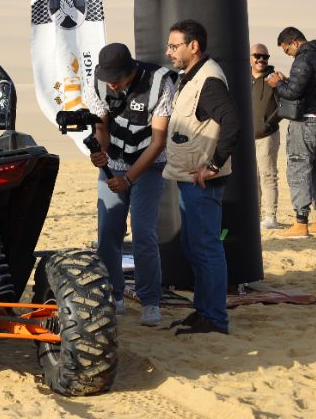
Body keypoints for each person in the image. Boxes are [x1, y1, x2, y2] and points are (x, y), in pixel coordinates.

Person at [83, 43, 175, 327]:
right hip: (114, 165)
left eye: (117, 80)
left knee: (144, 232)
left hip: (149, 164)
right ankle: (114, 295)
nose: (111, 85)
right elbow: (101, 127)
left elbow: (158, 141)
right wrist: (99, 152)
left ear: (131, 71)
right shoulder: (97, 84)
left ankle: (150, 301)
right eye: (107, 79)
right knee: (107, 232)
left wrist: (129, 179)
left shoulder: (160, 82)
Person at [163, 19, 240, 335]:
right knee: (195, 246)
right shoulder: (191, 77)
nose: (168, 52)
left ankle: (215, 318)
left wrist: (213, 165)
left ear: (193, 46)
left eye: (174, 46)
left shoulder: (209, 80)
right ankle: (203, 310)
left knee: (206, 248)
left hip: (202, 181)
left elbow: (232, 123)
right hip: (190, 178)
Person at [266, 27, 316, 238]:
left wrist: (277, 83)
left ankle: (301, 222)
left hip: (304, 121)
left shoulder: (303, 59)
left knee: (297, 166)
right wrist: (288, 81)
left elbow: (293, 93)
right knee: (315, 168)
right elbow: (307, 87)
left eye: (287, 50)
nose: (288, 54)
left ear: (294, 42)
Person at [250, 44, 281, 229]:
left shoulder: (274, 79)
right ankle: (255, 215)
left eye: (265, 57)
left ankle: (270, 217)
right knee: (251, 178)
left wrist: (268, 124)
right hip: (246, 139)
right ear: (250, 58)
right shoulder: (242, 78)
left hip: (267, 136)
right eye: (257, 56)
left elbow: (283, 105)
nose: (261, 60)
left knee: (268, 175)